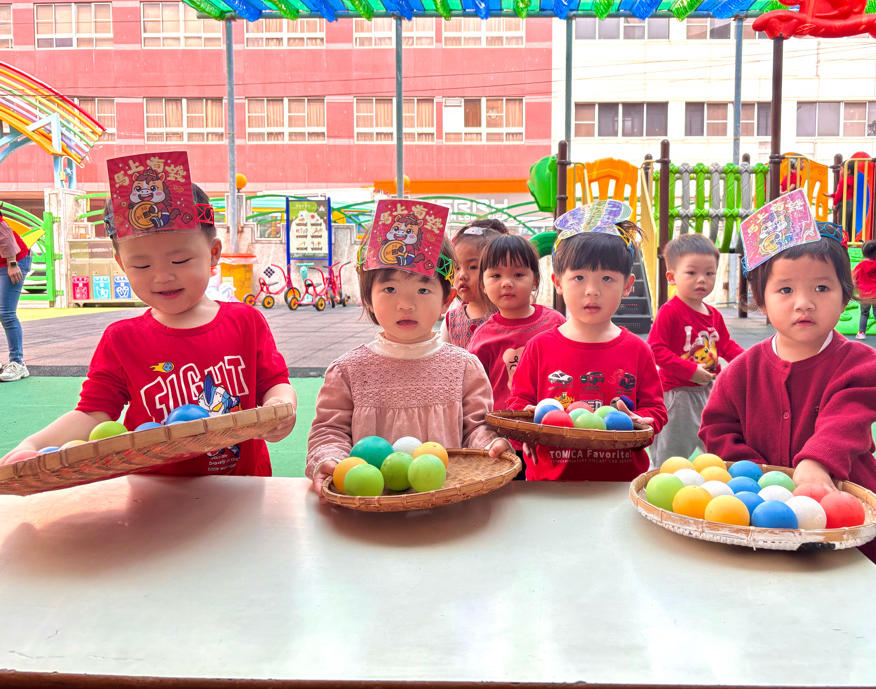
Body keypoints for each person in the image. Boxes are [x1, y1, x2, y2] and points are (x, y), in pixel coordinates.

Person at [0, 167, 297, 471]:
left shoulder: (245, 322)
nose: (162, 276)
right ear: (121, 263)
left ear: (213, 253)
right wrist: (32, 445)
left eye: (180, 260)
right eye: (141, 266)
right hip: (154, 490)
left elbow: (274, 383)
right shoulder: (122, 339)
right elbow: (93, 413)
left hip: (241, 487)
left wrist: (281, 406)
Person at [699, 197, 876, 569]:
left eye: (821, 288)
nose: (804, 303)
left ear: (845, 296)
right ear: (761, 301)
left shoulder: (863, 366)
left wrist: (817, 463)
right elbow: (717, 428)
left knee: (844, 580)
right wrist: (762, 477)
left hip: (839, 507)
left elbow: (845, 420)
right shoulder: (740, 372)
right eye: (786, 290)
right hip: (762, 511)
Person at [306, 201, 510, 499]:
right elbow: (330, 431)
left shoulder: (464, 368)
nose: (405, 304)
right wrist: (329, 459)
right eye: (389, 289)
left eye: (423, 290)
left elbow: (477, 428)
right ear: (368, 298)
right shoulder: (347, 372)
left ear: (446, 299)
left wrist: (490, 446)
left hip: (446, 503)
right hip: (370, 506)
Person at [507, 200, 667, 481]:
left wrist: (643, 422)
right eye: (579, 277)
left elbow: (655, 410)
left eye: (607, 278)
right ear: (558, 282)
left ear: (628, 285)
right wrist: (526, 422)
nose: (592, 291)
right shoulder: (540, 348)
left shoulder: (638, 350)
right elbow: (518, 403)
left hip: (619, 485)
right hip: (550, 485)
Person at [468, 234, 565, 479]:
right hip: (505, 441)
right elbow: (474, 393)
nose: (507, 283)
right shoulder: (483, 337)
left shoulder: (555, 323)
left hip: (553, 434)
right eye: (495, 275)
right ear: (483, 284)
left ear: (535, 281)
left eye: (518, 274)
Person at [647, 234, 742, 465]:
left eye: (709, 273)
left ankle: (714, 476)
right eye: (691, 273)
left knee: (714, 444)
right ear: (672, 277)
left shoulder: (713, 314)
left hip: (709, 390)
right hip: (678, 395)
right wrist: (689, 371)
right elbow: (655, 349)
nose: (702, 280)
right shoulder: (671, 311)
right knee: (673, 449)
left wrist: (749, 360)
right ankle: (662, 477)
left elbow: (726, 345)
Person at [440, 219, 508, 348]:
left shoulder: (508, 314)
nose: (462, 275)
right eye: (457, 268)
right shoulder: (451, 320)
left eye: (473, 267)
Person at [0, 204, 33, 382]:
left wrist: (12, 264)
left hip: (14, 261)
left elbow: (7, 240)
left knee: (6, 313)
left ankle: (18, 363)